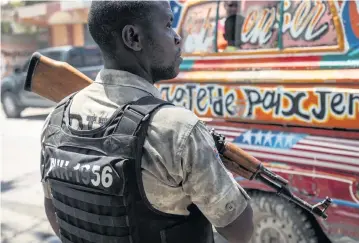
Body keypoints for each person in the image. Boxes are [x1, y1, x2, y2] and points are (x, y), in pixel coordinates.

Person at [40, 1, 254, 243]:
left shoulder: (56, 118)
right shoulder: (176, 128)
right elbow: (240, 229)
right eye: (168, 24)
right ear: (133, 37)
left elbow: (54, 212)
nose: (177, 37)